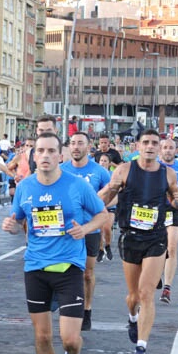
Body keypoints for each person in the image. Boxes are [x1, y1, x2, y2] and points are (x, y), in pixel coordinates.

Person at [2, 132, 107, 354]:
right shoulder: (25, 187)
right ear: (33, 156)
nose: (45, 156)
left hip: (69, 268)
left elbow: (103, 214)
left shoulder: (76, 185)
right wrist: (12, 227)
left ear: (60, 155)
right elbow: (19, 220)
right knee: (43, 337)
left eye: (51, 151)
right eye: (40, 151)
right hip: (35, 267)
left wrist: (84, 229)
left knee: (71, 339)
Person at [98, 130, 178, 354]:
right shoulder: (125, 170)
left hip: (156, 238)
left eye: (154, 143)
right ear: (138, 145)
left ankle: (141, 349)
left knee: (147, 294)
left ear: (159, 147)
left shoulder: (167, 173)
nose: (150, 146)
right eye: (145, 142)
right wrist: (91, 205)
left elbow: (176, 202)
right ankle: (133, 318)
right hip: (130, 237)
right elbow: (104, 197)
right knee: (133, 296)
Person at [61, 132, 111, 332]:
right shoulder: (61, 169)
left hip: (90, 230)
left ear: (88, 147)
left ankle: (87, 309)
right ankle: (69, 308)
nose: (75, 147)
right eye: (72, 143)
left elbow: (114, 195)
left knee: (87, 274)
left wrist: (101, 205)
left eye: (80, 143)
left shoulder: (99, 171)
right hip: (65, 231)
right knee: (65, 272)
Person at [158, 137, 178, 305]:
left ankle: (167, 287)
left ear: (176, 150)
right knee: (156, 246)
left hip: (174, 210)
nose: (168, 150)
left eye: (171, 148)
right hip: (155, 210)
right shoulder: (154, 165)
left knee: (171, 247)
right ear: (160, 149)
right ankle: (156, 274)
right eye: (165, 147)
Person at [92, 133, 123, 262]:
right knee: (98, 229)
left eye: (105, 161)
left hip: (110, 204)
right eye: (101, 161)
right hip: (98, 203)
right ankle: (100, 249)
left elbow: (118, 188)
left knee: (107, 228)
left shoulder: (112, 174)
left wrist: (109, 202)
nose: (103, 163)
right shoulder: (95, 174)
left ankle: (108, 245)